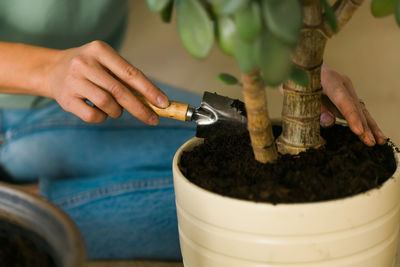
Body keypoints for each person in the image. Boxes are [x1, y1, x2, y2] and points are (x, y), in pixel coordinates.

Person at [0, 0, 386, 260]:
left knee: (247, 143)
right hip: (13, 108)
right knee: (242, 218)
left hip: (89, 93)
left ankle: (27, 195)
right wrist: (48, 70)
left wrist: (291, 54)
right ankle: (17, 208)